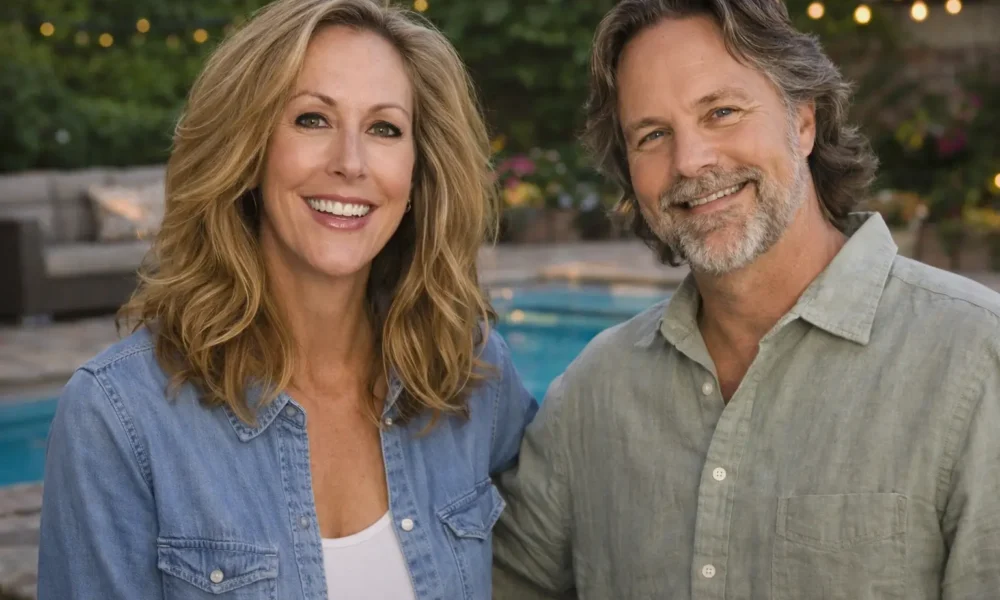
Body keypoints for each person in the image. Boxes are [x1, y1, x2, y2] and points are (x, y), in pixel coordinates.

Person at [492, 0, 1000, 598]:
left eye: (723, 112)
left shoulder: (975, 363)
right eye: (652, 135)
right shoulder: (592, 395)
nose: (691, 161)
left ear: (803, 121)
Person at [37, 0, 536, 598]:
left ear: (417, 173)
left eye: (384, 128)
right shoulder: (119, 418)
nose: (350, 163)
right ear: (249, 152)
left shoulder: (468, 372)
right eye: (312, 119)